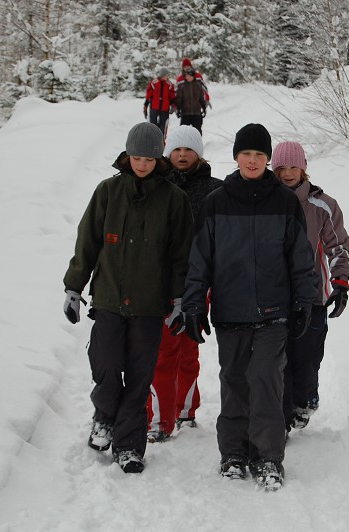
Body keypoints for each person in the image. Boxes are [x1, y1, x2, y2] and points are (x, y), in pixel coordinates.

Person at [182, 124, 318, 491]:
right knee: (234, 381)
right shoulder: (217, 202)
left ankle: (268, 457)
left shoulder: (285, 202)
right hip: (231, 311)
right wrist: (194, 303)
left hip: (275, 311)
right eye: (247, 154)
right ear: (236, 157)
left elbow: (301, 259)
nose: (253, 160)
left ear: (268, 159)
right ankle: (234, 453)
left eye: (259, 155)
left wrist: (304, 300)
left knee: (267, 379)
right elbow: (200, 260)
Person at [62, 122, 193, 474]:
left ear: (158, 159)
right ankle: (104, 417)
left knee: (138, 377)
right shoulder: (107, 192)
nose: (142, 165)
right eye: (137, 158)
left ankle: (129, 446)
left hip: (150, 305)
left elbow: (181, 256)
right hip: (108, 299)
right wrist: (74, 287)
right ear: (127, 156)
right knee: (105, 367)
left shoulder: (174, 199)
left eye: (149, 159)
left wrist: (180, 300)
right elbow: (87, 243)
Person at [146, 125, 223, 443]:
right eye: (176, 149)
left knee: (188, 350)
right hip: (162, 283)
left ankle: (186, 410)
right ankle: (160, 420)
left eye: (188, 149)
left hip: (199, 283)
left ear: (199, 154)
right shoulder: (156, 185)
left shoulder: (215, 191)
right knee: (163, 352)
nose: (181, 155)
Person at [271, 141, 349, 437]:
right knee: (278, 361)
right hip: (274, 297)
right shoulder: (266, 201)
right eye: (281, 168)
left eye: (294, 167)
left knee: (306, 358)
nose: (288, 173)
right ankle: (280, 418)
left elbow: (338, 246)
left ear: (303, 168)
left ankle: (304, 402)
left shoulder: (323, 205)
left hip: (313, 297)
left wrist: (340, 282)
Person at [174, 68, 207, 134]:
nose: (188, 77)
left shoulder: (198, 85)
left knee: (197, 131)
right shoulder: (182, 86)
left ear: (193, 76)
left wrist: (204, 108)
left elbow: (201, 98)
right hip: (185, 113)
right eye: (186, 76)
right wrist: (178, 109)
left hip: (196, 112)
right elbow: (179, 98)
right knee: (183, 132)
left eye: (189, 76)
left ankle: (197, 141)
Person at [144, 67, 175, 136]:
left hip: (165, 109)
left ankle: (162, 140)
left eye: (168, 75)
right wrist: (146, 105)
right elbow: (148, 94)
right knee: (153, 126)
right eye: (166, 75)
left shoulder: (169, 84)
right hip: (154, 107)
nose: (167, 76)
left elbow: (172, 96)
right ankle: (152, 139)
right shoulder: (154, 83)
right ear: (162, 75)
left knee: (163, 126)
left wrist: (173, 105)